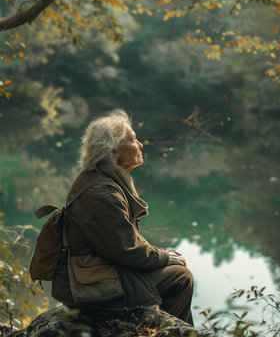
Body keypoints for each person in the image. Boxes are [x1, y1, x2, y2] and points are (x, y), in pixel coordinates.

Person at [51, 109, 194, 325]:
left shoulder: (99, 179)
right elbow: (129, 251)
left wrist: (159, 255)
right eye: (134, 140)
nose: (140, 145)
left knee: (174, 271)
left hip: (94, 273)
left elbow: (123, 243)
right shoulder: (103, 193)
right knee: (181, 277)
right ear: (114, 149)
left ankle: (168, 333)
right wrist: (165, 256)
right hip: (91, 286)